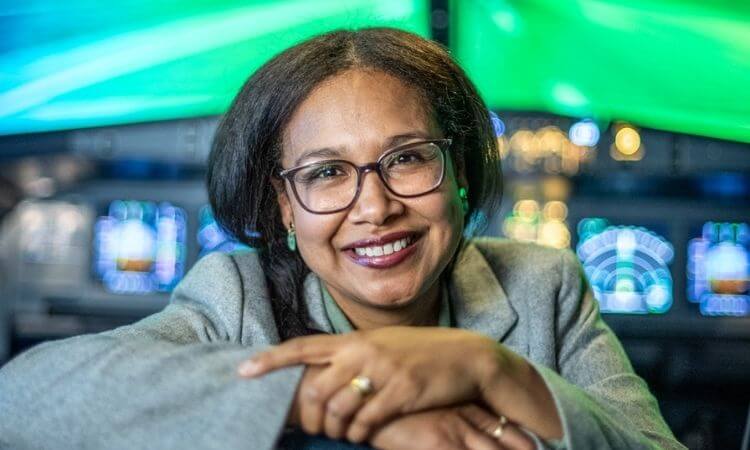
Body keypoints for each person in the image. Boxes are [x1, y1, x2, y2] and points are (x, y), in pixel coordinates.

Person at [0, 28, 684, 450]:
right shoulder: (236, 296)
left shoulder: (544, 286)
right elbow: (23, 400)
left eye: (409, 157)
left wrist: (489, 369)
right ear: (285, 208)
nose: (375, 207)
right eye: (327, 173)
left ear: (462, 177)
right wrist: (347, 402)